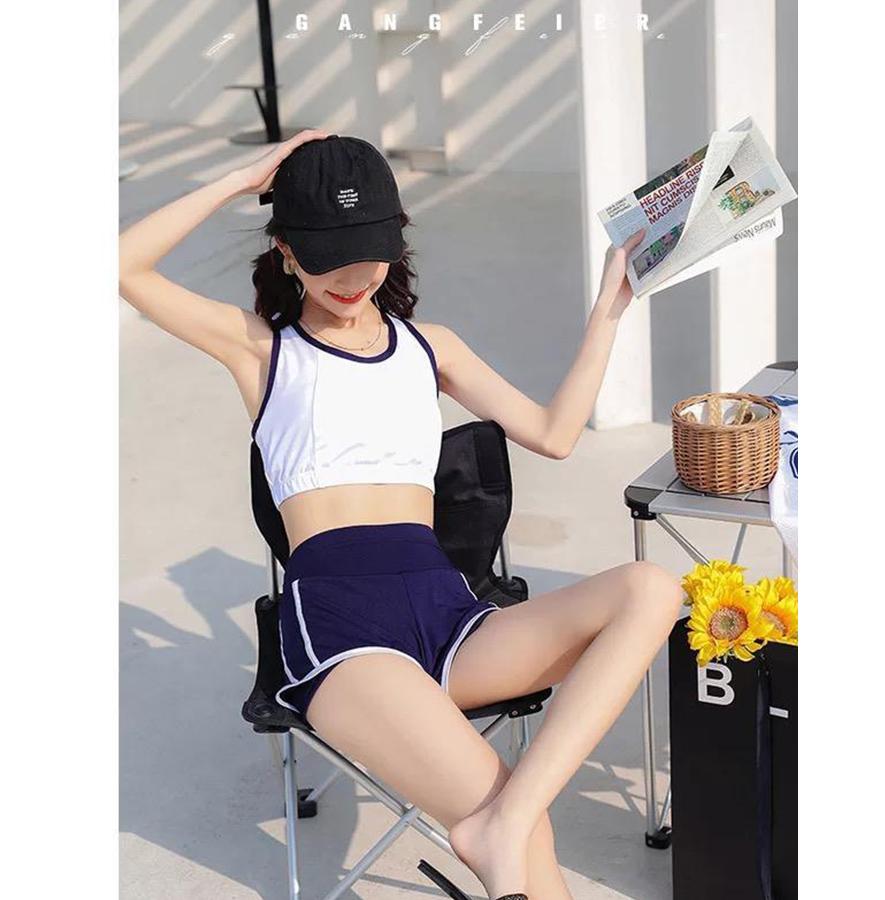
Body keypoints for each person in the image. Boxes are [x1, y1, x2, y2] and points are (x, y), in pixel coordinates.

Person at [119, 129, 684, 900]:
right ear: (286, 251)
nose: (354, 278)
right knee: (517, 831)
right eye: (328, 258)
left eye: (370, 254)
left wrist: (610, 311)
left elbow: (555, 434)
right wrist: (241, 180)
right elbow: (122, 266)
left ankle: (512, 816)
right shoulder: (262, 351)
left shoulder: (431, 348)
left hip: (448, 617)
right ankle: (508, 823)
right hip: (343, 633)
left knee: (653, 590)